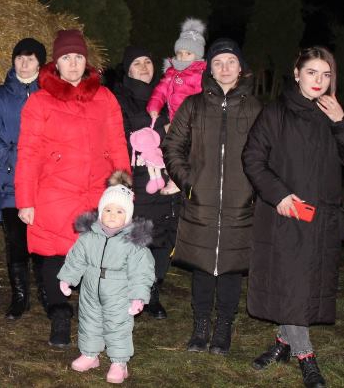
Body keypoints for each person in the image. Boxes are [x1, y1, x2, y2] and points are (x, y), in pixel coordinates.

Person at [243, 47, 344, 388]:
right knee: (295, 285)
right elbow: (253, 158)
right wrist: (278, 194)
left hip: (322, 217)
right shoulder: (276, 113)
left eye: (326, 74)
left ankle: (283, 342)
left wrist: (341, 122)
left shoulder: (333, 113)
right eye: (312, 72)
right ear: (296, 74)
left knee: (302, 286)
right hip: (286, 213)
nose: (319, 80)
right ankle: (306, 355)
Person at [15, 29, 131, 347]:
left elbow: (118, 145)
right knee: (54, 257)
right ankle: (60, 317)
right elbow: (28, 152)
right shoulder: (39, 102)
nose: (74, 64)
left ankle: (94, 320)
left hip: (97, 195)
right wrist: (25, 200)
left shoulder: (105, 98)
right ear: (56, 63)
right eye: (67, 57)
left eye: (79, 57)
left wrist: (123, 190)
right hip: (54, 194)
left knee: (98, 261)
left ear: (86, 60)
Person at [161, 38, 262, 356]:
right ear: (210, 69)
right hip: (200, 201)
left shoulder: (255, 107)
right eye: (218, 62)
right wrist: (188, 182)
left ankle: (223, 329)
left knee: (231, 268)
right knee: (203, 267)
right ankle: (201, 325)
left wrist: (254, 188)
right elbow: (173, 146)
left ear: (241, 67)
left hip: (239, 203)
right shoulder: (194, 105)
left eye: (231, 61)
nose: (225, 68)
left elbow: (268, 153)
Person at [57, 172, 154, 384]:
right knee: (89, 321)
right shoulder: (89, 237)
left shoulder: (133, 244)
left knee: (117, 325)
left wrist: (138, 297)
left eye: (119, 211)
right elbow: (76, 259)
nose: (112, 215)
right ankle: (90, 354)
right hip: (91, 290)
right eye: (108, 210)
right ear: (100, 212)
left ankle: (119, 362)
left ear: (127, 216)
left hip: (119, 293)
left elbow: (142, 273)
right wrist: (67, 279)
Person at [0, 37, 48, 320]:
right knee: (16, 242)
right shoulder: (0, 95)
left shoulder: (49, 93)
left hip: (45, 182)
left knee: (44, 242)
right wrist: (11, 156)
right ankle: (19, 296)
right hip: (10, 181)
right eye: (20, 57)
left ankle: (49, 293)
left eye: (30, 58)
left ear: (40, 63)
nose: (24, 62)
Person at [111, 45, 181, 319]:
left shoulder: (165, 95)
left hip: (164, 176)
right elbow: (126, 131)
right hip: (135, 179)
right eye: (137, 63)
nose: (143, 67)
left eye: (148, 62)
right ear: (128, 68)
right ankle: (131, 290)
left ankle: (153, 291)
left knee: (162, 237)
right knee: (137, 237)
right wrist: (161, 126)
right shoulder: (118, 98)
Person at [147, 18, 208, 195]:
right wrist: (154, 107)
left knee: (189, 151)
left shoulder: (200, 74)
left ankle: (186, 181)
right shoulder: (171, 72)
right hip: (175, 120)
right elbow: (160, 91)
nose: (182, 57)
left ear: (196, 56)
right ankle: (173, 179)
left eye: (187, 54)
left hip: (192, 121)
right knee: (172, 150)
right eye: (179, 53)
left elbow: (204, 97)